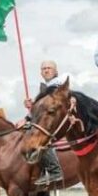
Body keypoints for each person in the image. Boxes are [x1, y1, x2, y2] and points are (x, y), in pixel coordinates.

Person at [26, 60, 68, 188]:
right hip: (46, 119)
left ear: (56, 71)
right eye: (43, 68)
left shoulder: (57, 85)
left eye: (49, 68)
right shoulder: (45, 86)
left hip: (57, 120)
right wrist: (31, 106)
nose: (46, 70)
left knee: (41, 138)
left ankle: (54, 170)